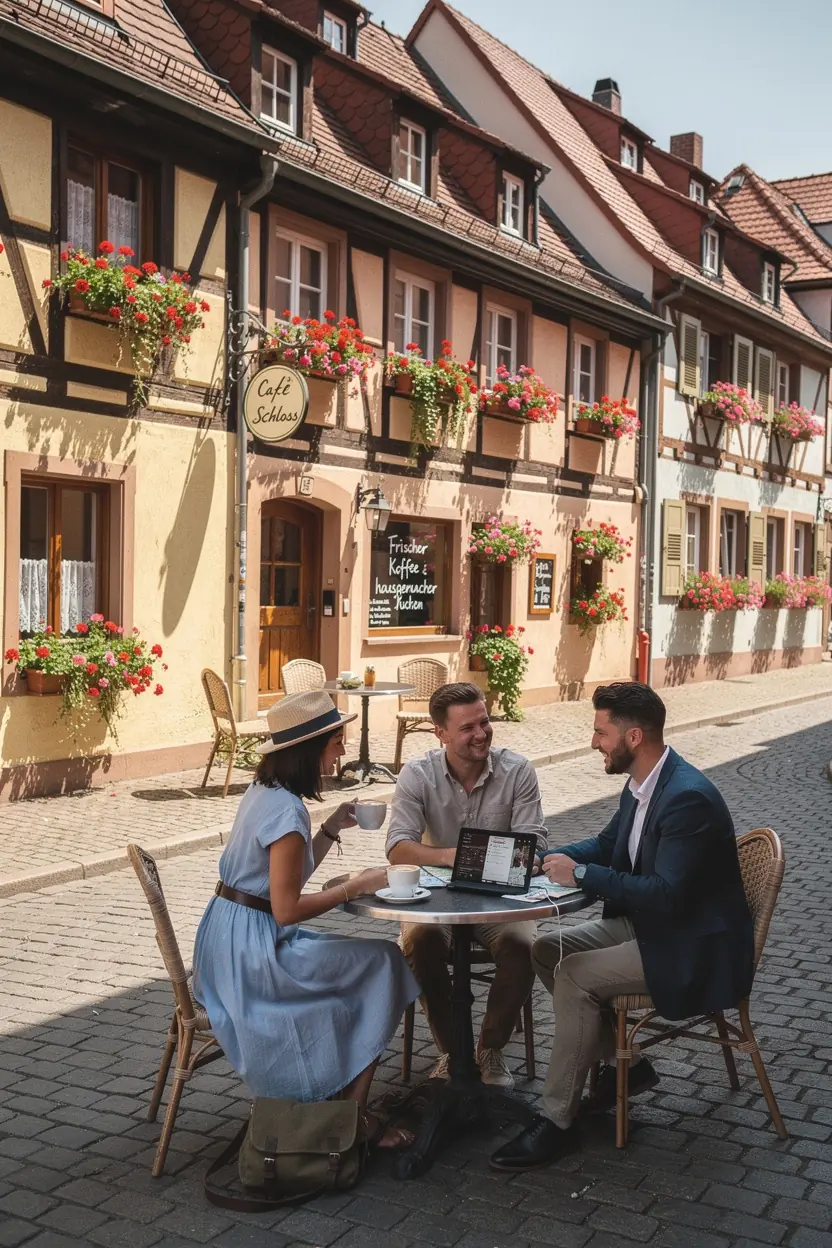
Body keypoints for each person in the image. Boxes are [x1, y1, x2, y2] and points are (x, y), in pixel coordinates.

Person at [491, 680, 754, 1171]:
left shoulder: (686, 798)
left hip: (690, 947)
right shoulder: (643, 784)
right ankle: (622, 1067)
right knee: (548, 950)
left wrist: (582, 875)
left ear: (633, 737)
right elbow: (607, 845)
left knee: (575, 975)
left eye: (600, 732)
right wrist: (548, 859)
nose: (594, 742)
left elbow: (667, 893)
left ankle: (557, 1120)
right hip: (654, 929)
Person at [193, 690, 420, 1150]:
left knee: (370, 965)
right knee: (386, 964)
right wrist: (356, 886)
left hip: (226, 938)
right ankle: (353, 1119)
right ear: (309, 749)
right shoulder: (286, 810)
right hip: (256, 958)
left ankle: (342, 1101)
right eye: (336, 741)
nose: (342, 749)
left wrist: (331, 828)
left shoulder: (263, 791)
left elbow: (282, 882)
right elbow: (287, 908)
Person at [386, 681, 547, 1088]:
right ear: (440, 733)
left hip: (501, 899)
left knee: (524, 946)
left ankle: (490, 1048)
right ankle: (452, 1052)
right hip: (434, 899)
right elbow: (398, 848)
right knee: (420, 941)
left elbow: (533, 841)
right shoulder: (417, 774)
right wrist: (451, 856)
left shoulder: (517, 770)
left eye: (484, 722)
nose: (481, 734)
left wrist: (529, 859)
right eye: (467, 727)